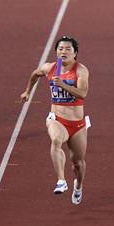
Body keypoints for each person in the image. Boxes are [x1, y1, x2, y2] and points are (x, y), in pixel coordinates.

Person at [20, 36, 90, 204]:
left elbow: (83, 93)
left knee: (78, 163)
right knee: (56, 140)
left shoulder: (80, 70)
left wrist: (63, 85)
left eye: (67, 49)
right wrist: (27, 91)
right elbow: (35, 74)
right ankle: (61, 180)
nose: (63, 52)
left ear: (75, 54)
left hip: (77, 124)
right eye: (60, 49)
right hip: (57, 119)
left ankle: (78, 186)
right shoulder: (49, 67)